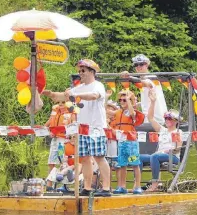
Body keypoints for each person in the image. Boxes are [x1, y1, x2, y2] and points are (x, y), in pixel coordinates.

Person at [42, 59, 111, 197]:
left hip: (96, 127)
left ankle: (106, 189)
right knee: (84, 158)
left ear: (92, 71)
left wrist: (76, 95)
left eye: (83, 71)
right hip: (82, 128)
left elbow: (93, 96)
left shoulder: (98, 85)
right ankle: (87, 188)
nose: (80, 73)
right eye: (79, 71)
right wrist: (46, 92)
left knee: (99, 157)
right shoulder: (78, 87)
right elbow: (61, 96)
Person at [140, 89, 183, 192]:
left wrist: (172, 150)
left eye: (170, 119)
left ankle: (154, 184)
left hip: (172, 157)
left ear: (176, 121)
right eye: (166, 119)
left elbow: (179, 147)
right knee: (139, 157)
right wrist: (153, 102)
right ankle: (137, 184)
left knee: (155, 156)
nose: (167, 121)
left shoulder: (177, 132)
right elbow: (150, 117)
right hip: (159, 155)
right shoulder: (162, 130)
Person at [110, 89, 145, 194]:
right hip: (121, 142)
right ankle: (122, 186)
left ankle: (137, 186)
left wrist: (129, 100)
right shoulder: (117, 112)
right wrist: (106, 98)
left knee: (135, 164)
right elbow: (105, 111)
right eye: (120, 100)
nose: (122, 101)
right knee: (122, 165)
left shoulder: (133, 112)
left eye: (124, 100)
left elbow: (131, 113)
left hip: (131, 143)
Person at [122, 54, 168, 124]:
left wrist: (129, 77)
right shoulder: (143, 78)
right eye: (136, 65)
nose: (138, 66)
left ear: (146, 65)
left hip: (156, 118)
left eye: (141, 64)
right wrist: (139, 104)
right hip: (149, 118)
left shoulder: (152, 77)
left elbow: (147, 84)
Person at [44, 101, 76, 191]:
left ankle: (64, 185)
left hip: (64, 141)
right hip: (54, 140)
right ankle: (49, 184)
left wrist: (71, 137)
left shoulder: (72, 111)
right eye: (58, 102)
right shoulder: (55, 110)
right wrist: (45, 129)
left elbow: (74, 125)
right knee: (51, 161)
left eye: (63, 102)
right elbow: (50, 121)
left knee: (63, 161)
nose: (60, 104)